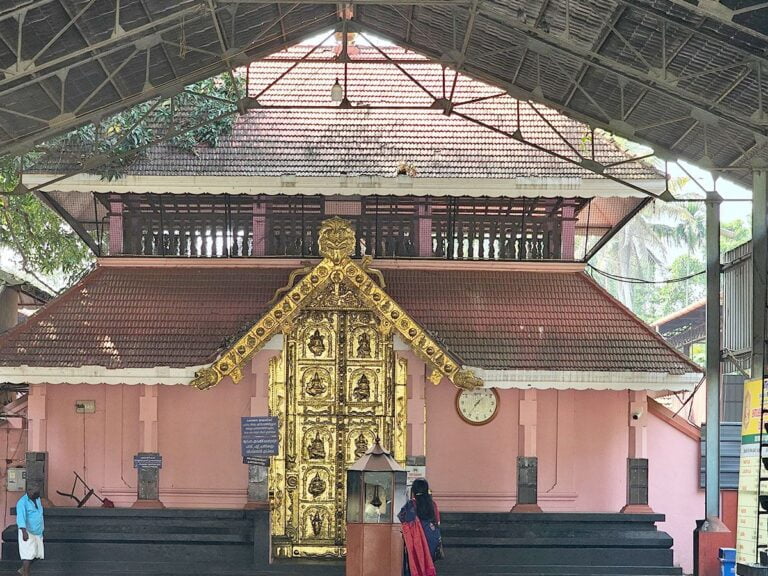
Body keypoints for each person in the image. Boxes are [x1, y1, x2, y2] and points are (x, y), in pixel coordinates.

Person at [398, 478, 441, 576]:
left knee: (415, 564)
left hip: (416, 540)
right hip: (432, 538)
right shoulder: (433, 504)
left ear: (414, 490)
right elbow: (437, 521)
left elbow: (402, 518)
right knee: (427, 564)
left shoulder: (410, 505)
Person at [16, 485, 44, 576]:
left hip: (38, 532)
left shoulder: (37, 499)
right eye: (36, 493)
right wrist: (24, 532)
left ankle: (23, 569)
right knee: (27, 556)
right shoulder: (22, 503)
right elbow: (21, 518)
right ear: (29, 491)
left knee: (38, 555)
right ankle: (26, 573)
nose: (38, 495)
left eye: (38, 492)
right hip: (27, 532)